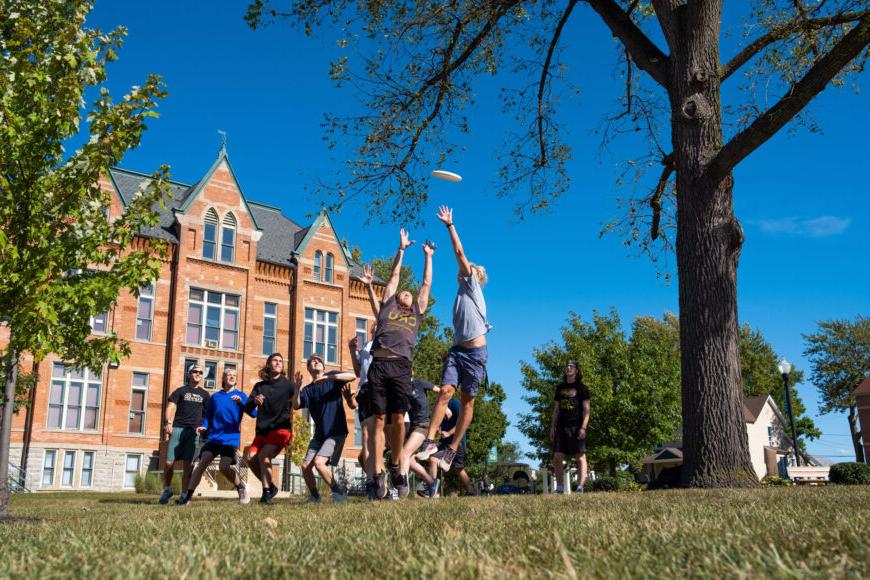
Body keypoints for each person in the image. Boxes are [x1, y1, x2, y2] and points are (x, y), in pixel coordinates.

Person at [418, 206, 491, 472]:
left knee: (468, 400)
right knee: (446, 392)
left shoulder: (471, 283)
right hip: (458, 351)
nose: (462, 267)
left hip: (474, 355)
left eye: (468, 268)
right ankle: (429, 441)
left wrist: (450, 225)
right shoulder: (463, 294)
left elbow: (459, 253)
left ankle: (451, 449)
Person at [365, 229, 434, 499]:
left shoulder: (415, 312)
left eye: (408, 293)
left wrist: (428, 256)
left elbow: (426, 285)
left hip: (402, 367)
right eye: (403, 292)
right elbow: (394, 276)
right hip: (380, 365)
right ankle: (379, 473)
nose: (406, 293)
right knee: (379, 420)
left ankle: (396, 465)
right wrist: (402, 249)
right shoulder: (386, 307)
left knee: (398, 420)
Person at [179, 368, 252, 505]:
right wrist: (205, 426)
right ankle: (187, 498)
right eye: (228, 375)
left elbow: (253, 413)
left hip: (229, 439)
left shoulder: (241, 396)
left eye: (234, 375)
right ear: (223, 378)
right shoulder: (215, 397)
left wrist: (241, 403)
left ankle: (241, 488)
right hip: (213, 438)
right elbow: (208, 416)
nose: (231, 377)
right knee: (202, 464)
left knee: (224, 467)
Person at [296, 353, 357, 503]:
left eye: (318, 361)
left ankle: (338, 493)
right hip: (320, 434)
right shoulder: (307, 390)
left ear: (323, 366)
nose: (315, 362)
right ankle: (315, 496)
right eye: (312, 361)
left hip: (336, 431)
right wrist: (297, 388)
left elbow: (352, 376)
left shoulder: (332, 378)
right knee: (305, 466)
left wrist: (330, 378)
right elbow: (297, 405)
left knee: (319, 463)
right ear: (309, 368)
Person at [244, 353, 303, 504]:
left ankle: (265, 494)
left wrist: (297, 389)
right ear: (268, 365)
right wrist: (255, 401)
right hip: (263, 430)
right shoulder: (260, 386)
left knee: (264, 455)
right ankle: (271, 487)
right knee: (250, 458)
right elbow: (247, 407)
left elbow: (297, 405)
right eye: (274, 361)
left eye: (280, 361)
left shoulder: (288, 385)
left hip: (281, 429)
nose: (278, 363)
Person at [159, 363, 210, 505]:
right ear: (189, 374)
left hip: (193, 432)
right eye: (195, 371)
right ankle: (167, 489)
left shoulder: (205, 395)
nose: (198, 374)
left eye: (200, 372)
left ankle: (184, 495)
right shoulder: (180, 391)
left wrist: (205, 429)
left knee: (188, 466)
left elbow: (208, 415)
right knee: (169, 462)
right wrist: (168, 422)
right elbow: (171, 407)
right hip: (178, 429)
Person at [550, 361, 591, 493]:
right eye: (566, 366)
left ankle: (580, 486)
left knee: (580, 457)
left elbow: (586, 411)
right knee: (557, 457)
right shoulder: (560, 388)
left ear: (576, 370)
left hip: (577, 426)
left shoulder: (582, 388)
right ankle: (560, 487)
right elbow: (556, 409)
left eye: (571, 366)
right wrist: (552, 427)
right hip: (562, 426)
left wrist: (583, 428)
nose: (568, 368)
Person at [401, 379, 440, 499]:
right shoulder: (401, 390)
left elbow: (442, 392)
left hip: (423, 425)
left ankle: (401, 491)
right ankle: (431, 483)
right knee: (410, 460)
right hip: (412, 427)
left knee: (404, 454)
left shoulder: (419, 384)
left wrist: (445, 407)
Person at [427, 397, 474, 496]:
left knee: (458, 468)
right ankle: (433, 492)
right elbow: (438, 423)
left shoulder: (455, 403)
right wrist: (438, 429)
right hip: (445, 443)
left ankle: (470, 491)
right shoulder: (439, 405)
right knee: (434, 460)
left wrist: (449, 433)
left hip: (458, 442)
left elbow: (463, 422)